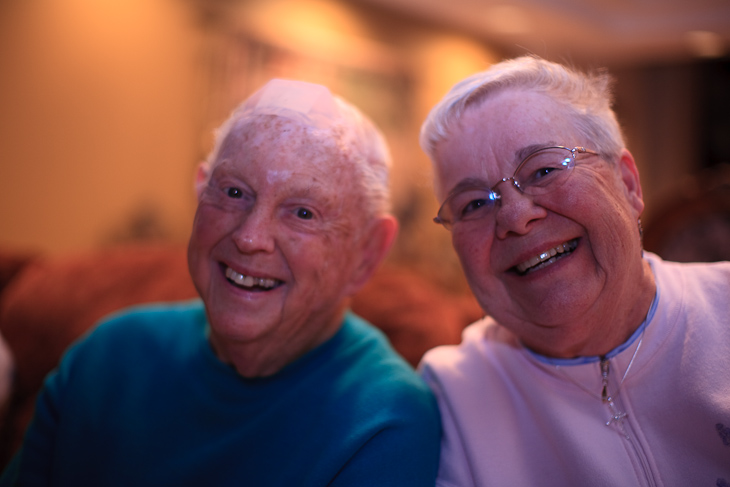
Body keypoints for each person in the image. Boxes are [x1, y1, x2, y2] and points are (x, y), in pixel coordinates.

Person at [1, 79, 441, 486]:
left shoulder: (384, 422)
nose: (250, 238)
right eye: (233, 192)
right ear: (199, 192)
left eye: (303, 212)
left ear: (368, 251)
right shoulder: (108, 354)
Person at [418, 56, 730, 486]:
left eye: (544, 170)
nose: (514, 216)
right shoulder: (452, 396)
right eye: (473, 203)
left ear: (628, 184)